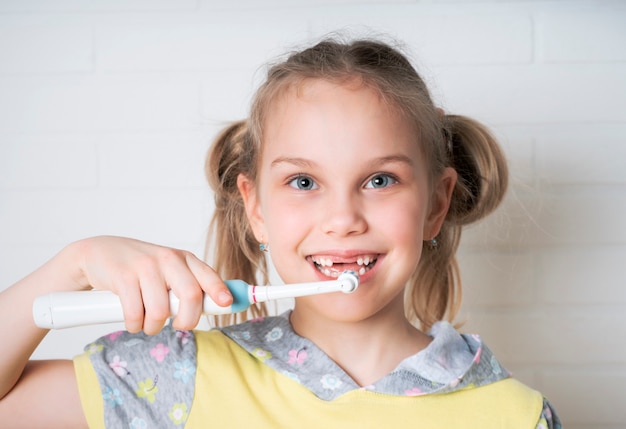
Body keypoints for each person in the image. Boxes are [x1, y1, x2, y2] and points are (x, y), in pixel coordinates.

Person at [0, 37, 561, 428]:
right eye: (303, 181)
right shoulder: (173, 377)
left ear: (436, 205)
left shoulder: (515, 415)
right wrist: (71, 264)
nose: (343, 218)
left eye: (379, 179)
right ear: (256, 209)